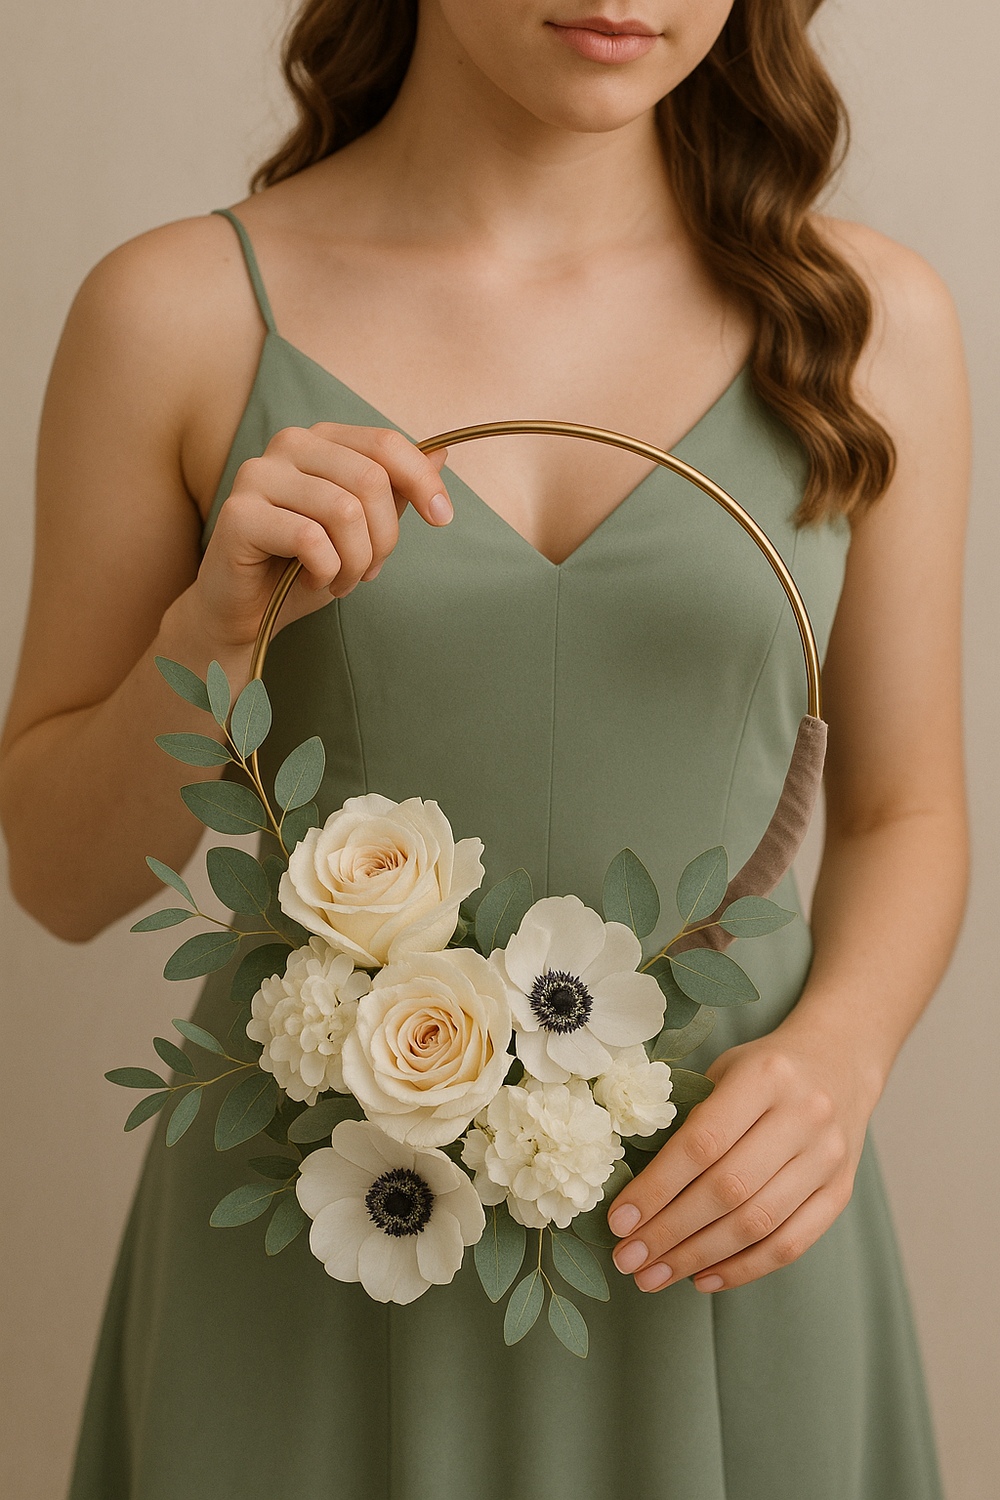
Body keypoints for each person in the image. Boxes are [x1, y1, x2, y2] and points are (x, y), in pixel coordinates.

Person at [0, 2, 969, 1497]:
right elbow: (61, 876)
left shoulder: (866, 322)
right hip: (312, 1254)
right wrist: (215, 630)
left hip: (720, 1231)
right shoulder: (176, 314)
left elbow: (907, 806)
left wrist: (839, 1059)